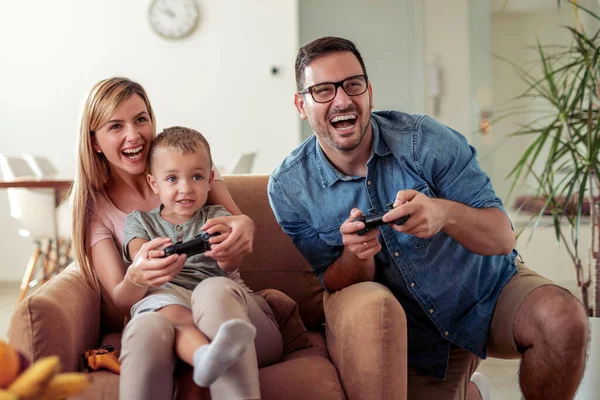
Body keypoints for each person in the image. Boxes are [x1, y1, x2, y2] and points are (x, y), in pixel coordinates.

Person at [267, 36, 589, 400]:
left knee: (563, 320)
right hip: (415, 338)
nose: (342, 100)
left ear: (369, 90)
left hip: (487, 289)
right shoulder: (290, 188)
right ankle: (472, 393)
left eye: (353, 84)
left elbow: (501, 237)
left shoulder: (424, 141)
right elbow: (332, 280)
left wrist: (443, 213)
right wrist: (356, 254)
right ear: (300, 104)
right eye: (322, 90)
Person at [71, 77, 282, 400]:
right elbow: (121, 295)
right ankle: (202, 357)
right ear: (95, 141)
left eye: (141, 119)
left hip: (228, 310)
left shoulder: (190, 165)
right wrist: (138, 275)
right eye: (115, 126)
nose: (133, 135)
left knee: (212, 290)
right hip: (165, 314)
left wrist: (242, 229)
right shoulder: (102, 212)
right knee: (145, 325)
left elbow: (235, 226)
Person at [121, 126, 281, 396]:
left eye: (196, 177)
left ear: (210, 180)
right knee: (160, 306)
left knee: (212, 289)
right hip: (168, 299)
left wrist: (227, 254)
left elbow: (231, 267)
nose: (186, 188)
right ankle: (204, 356)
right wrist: (152, 258)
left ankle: (208, 357)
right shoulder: (140, 221)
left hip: (221, 303)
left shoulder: (216, 215)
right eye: (172, 179)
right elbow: (141, 258)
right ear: (153, 183)